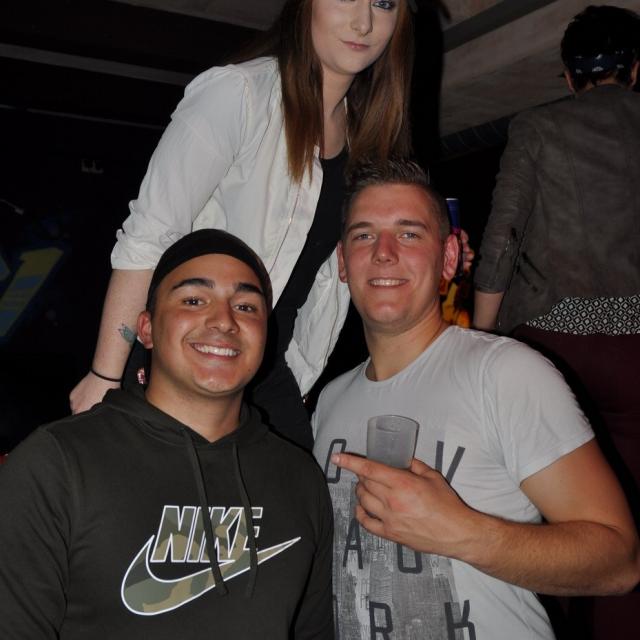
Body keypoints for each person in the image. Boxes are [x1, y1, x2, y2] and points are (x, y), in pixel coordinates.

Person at [68, 0, 420, 450]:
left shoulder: (365, 136)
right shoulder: (239, 95)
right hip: (189, 361)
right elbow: (150, 234)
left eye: (384, 3)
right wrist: (104, 375)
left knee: (294, 492)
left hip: (269, 372)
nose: (364, 22)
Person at [311, 159, 640, 639]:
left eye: (408, 234)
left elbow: (619, 561)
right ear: (343, 262)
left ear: (448, 259)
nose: (383, 253)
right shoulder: (329, 402)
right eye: (364, 236)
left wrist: (459, 532)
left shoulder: (504, 373)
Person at [0, 230, 334, 639]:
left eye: (246, 306)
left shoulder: (300, 480)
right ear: (146, 329)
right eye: (193, 300)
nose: (224, 320)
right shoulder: (57, 466)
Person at [473, 7, 640, 635]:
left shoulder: (536, 127)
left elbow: (502, 238)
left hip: (553, 348)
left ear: (569, 76)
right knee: (626, 522)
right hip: (636, 356)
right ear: (635, 69)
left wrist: (481, 338)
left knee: (543, 511)